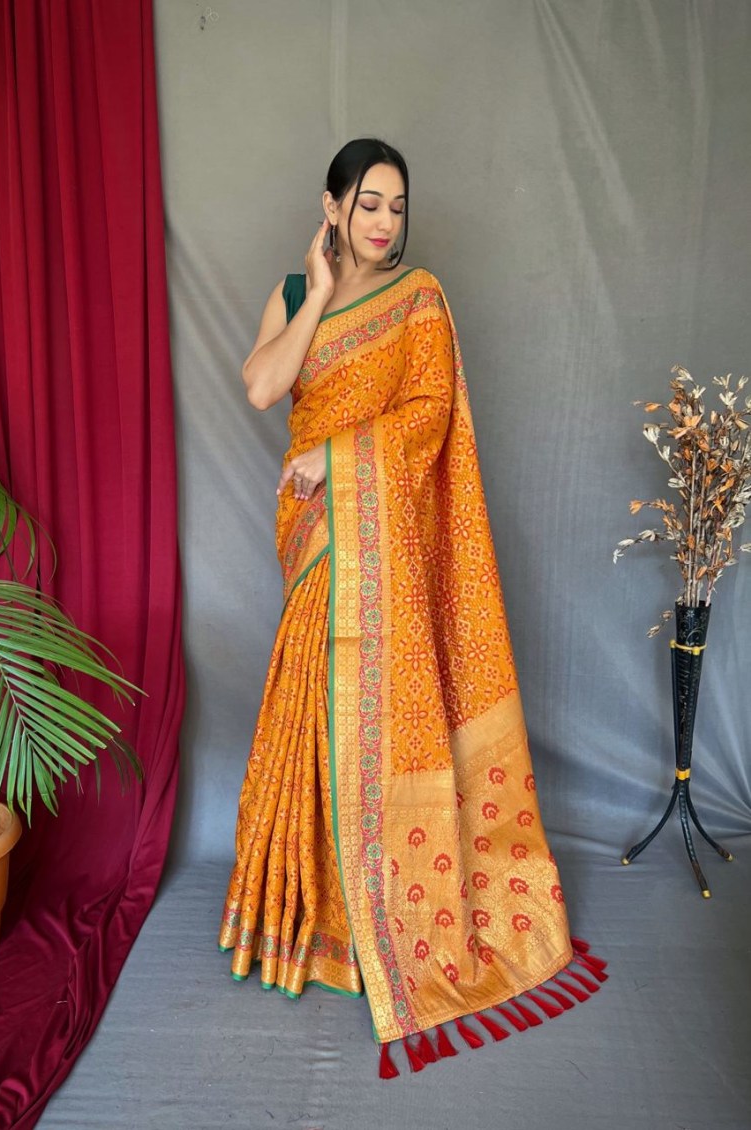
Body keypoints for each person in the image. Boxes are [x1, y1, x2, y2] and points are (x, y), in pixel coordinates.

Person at [218, 138, 605, 1076]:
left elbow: (429, 415)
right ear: (333, 207)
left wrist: (337, 457)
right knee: (314, 712)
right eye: (369, 204)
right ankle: (310, 917)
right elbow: (264, 386)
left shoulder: (420, 299)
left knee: (378, 718)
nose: (386, 222)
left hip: (377, 532)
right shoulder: (294, 291)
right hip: (314, 538)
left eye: (397, 206)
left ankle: (381, 925)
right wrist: (318, 290)